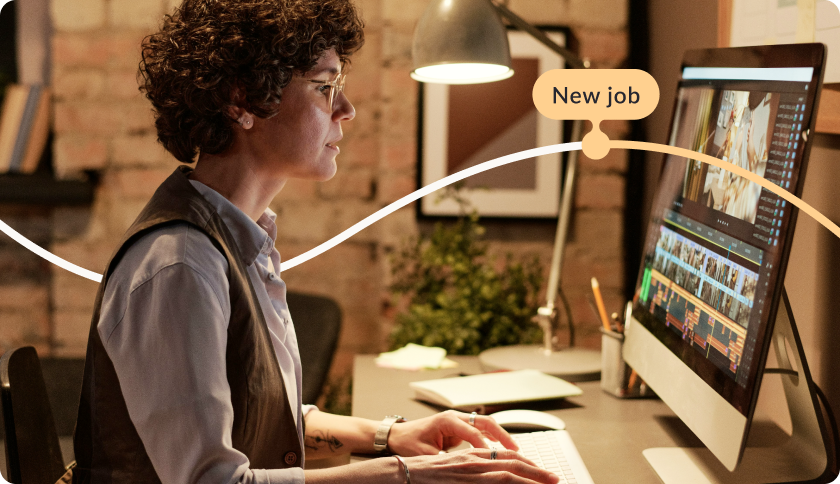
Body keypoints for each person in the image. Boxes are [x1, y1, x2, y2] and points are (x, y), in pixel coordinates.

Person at [68, 0, 561, 483]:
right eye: (325, 88)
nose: (346, 109)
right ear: (242, 101)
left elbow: (257, 416)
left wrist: (394, 436)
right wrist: (407, 474)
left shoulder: (240, 238)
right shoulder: (179, 265)